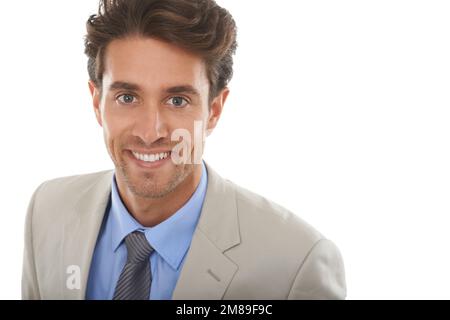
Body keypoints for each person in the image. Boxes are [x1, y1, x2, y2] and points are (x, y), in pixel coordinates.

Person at [22, 0, 346, 300]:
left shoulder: (296, 265)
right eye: (127, 97)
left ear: (214, 110)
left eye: (177, 100)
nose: (150, 133)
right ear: (97, 102)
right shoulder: (47, 212)